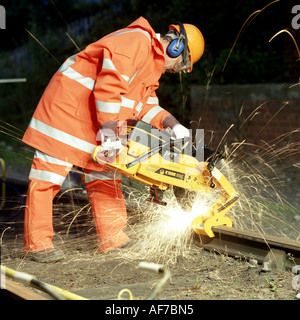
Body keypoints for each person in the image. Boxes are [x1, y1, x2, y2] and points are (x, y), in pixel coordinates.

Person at [22, 16, 205, 263]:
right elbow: (108, 89)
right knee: (48, 177)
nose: (175, 71)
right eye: (180, 66)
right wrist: (109, 135)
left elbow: (144, 104)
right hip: (67, 113)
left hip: (96, 121)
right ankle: (38, 245)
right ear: (176, 47)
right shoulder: (136, 42)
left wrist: (172, 124)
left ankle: (113, 239)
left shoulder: (150, 64)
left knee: (106, 177)